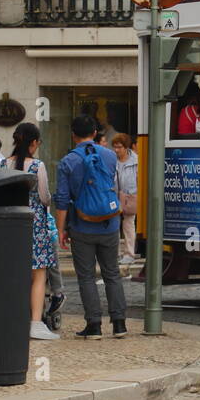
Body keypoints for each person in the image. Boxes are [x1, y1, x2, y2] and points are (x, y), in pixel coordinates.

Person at [54, 114, 126, 339]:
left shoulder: (67, 162)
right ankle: (119, 324)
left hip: (82, 225)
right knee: (112, 273)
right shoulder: (110, 155)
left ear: (73, 135)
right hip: (109, 223)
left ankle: (94, 325)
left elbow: (62, 201)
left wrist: (61, 230)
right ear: (95, 133)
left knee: (85, 277)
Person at [2, 123, 59, 341]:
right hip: (34, 224)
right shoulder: (37, 166)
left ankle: (12, 319)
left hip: (8, 223)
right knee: (38, 275)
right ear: (34, 143)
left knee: (13, 273)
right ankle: (35, 323)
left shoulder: (2, 164)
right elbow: (45, 197)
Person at [111, 133, 139, 264]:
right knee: (113, 226)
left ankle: (129, 253)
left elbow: (139, 179)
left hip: (130, 196)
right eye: (115, 147)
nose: (116, 150)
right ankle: (113, 253)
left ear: (126, 147)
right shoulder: (111, 160)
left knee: (128, 225)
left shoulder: (136, 160)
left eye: (119, 147)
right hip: (114, 196)